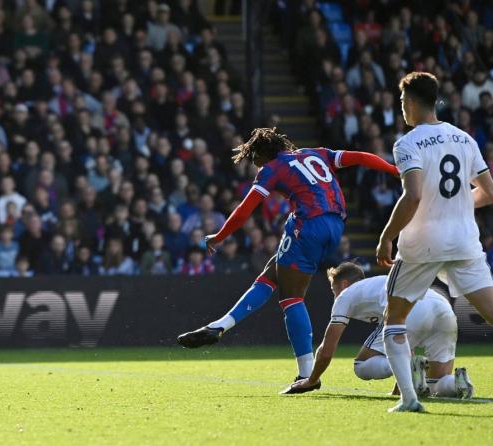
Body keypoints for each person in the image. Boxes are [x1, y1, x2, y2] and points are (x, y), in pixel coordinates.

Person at [177, 127, 399, 383]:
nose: (255, 164)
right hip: (336, 224)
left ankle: (306, 374)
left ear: (262, 154)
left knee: (291, 298)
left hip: (309, 225)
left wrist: (218, 236)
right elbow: (360, 157)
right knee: (273, 272)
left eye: (254, 158)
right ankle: (221, 325)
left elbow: (245, 208)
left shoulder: (271, 168)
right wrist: (393, 170)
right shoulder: (316, 153)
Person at [376, 72, 493, 412]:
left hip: (422, 245)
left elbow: (412, 197)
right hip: (463, 242)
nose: (401, 109)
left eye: (401, 102)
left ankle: (409, 400)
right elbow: (489, 192)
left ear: (410, 102)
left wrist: (386, 236)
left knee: (394, 320)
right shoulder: (464, 139)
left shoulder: (408, 143)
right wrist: (454, 204)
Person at [288, 262, 473, 398]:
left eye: (333, 288)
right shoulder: (377, 285)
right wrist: (397, 390)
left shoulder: (345, 296)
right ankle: (457, 384)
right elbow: (407, 346)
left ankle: (414, 376)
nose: (334, 294)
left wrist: (311, 380)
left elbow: (327, 349)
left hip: (411, 309)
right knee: (435, 385)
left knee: (361, 366)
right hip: (443, 309)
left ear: (344, 284)